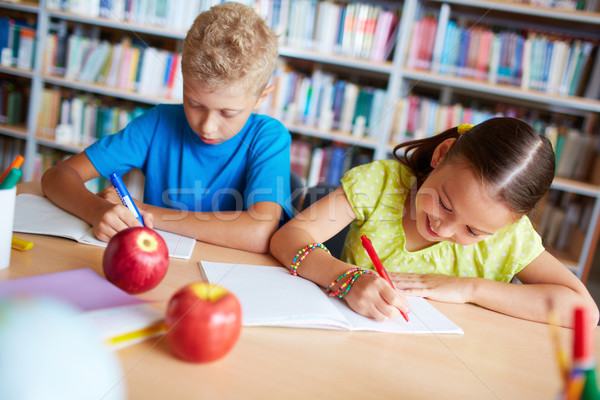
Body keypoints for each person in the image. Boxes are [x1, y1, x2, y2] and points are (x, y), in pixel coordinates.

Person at [270, 117, 599, 327]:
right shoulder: (382, 183)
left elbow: (585, 311)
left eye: (473, 230)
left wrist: (468, 288)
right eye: (444, 203)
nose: (443, 228)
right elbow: (290, 236)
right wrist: (347, 278)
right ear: (441, 154)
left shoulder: (511, 238)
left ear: (508, 225)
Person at [42, 2, 291, 253]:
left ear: (261, 98)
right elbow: (56, 177)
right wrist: (97, 210)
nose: (207, 127)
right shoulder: (158, 122)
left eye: (228, 113)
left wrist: (142, 211)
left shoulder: (268, 138)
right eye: (195, 104)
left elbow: (260, 234)